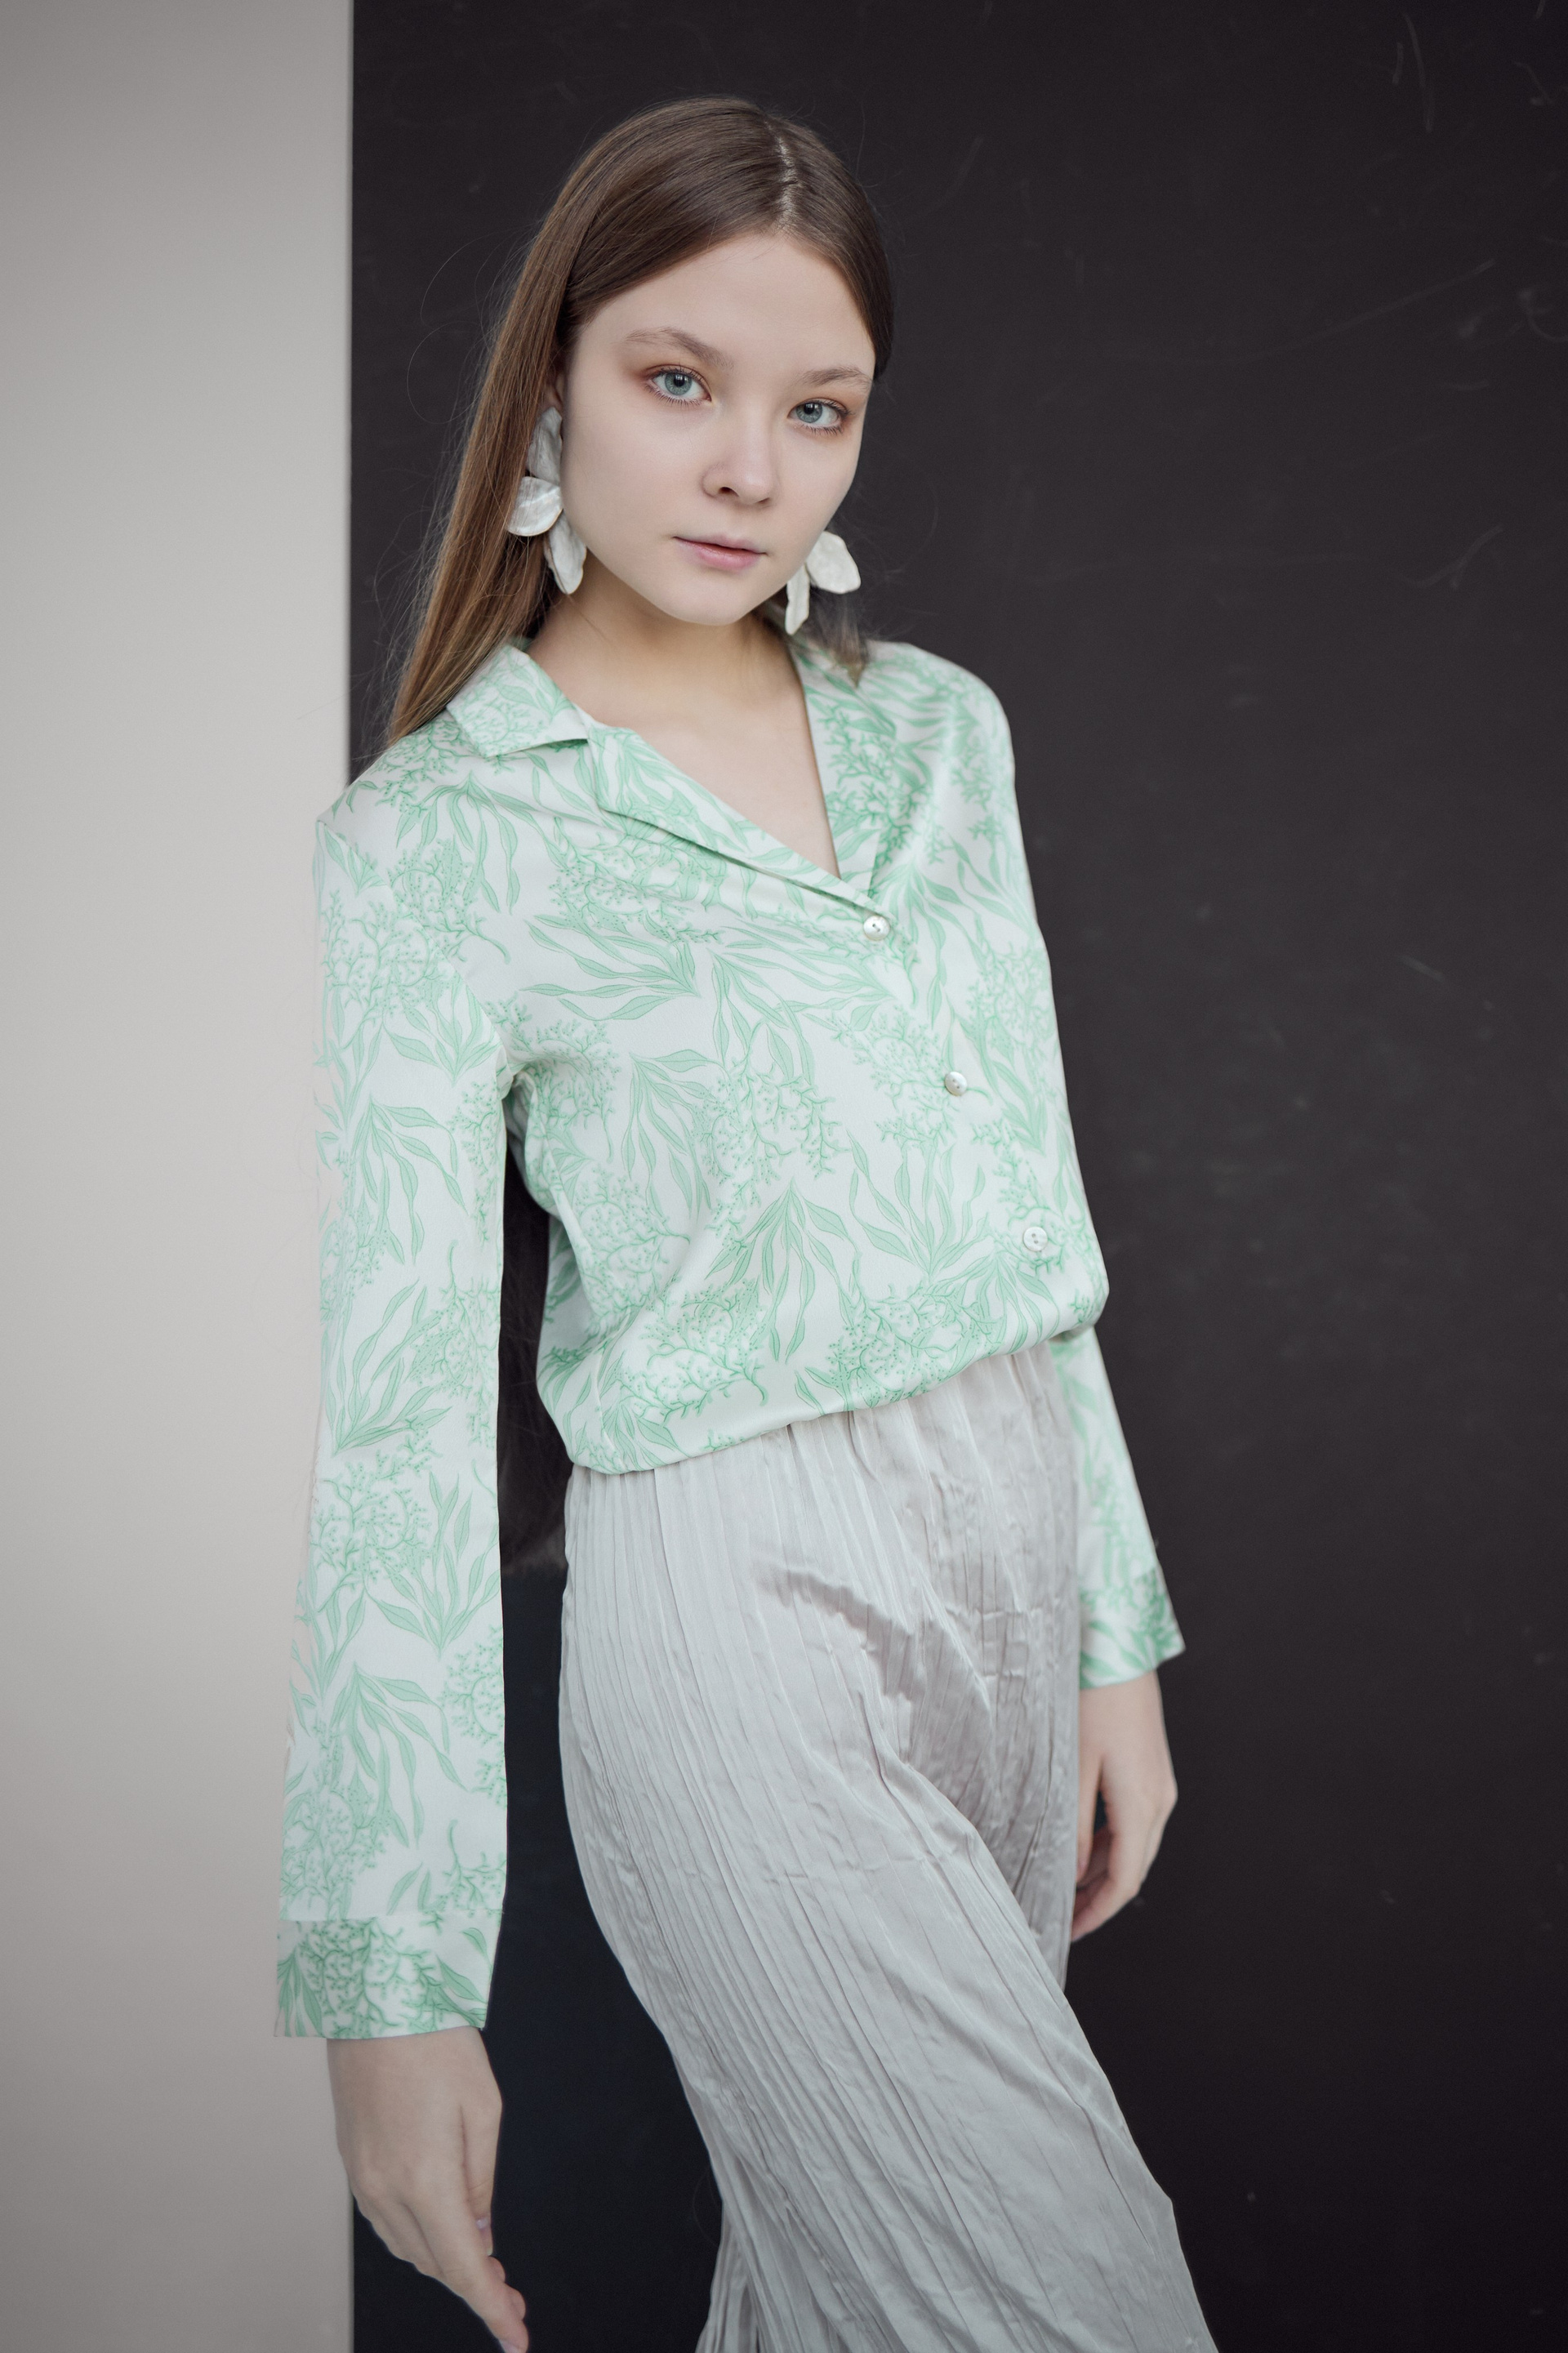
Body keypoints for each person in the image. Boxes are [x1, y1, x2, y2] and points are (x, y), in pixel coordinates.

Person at [279, 94, 1218, 2353]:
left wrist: (1113, 1628)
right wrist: (391, 1986)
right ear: (556, 380)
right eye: (678, 380)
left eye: (817, 409)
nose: (746, 468)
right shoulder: (434, 844)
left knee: (851, 2295)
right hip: (736, 1608)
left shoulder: (942, 740)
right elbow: (396, 1425)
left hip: (1008, 1566)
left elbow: (1028, 1217)